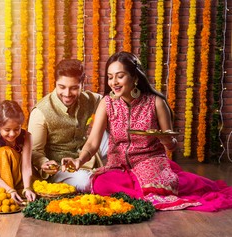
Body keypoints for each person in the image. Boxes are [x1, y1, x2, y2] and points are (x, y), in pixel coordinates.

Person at [62, 51, 232, 211]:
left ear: (135, 77)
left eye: (120, 76)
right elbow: (92, 143)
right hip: (118, 165)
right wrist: (79, 161)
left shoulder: (155, 102)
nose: (114, 82)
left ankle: (162, 185)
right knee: (101, 185)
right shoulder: (107, 104)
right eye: (110, 77)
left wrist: (164, 139)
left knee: (155, 185)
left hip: (150, 162)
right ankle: (145, 192)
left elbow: (171, 146)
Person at [28, 59, 109, 192]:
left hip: (86, 157)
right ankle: (100, 179)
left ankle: (126, 170)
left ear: (82, 84)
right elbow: (34, 151)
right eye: (62, 87)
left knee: (112, 131)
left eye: (74, 88)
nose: (67, 94)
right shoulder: (41, 112)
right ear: (55, 83)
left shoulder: (89, 100)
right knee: (85, 181)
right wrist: (43, 163)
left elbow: (109, 101)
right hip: (60, 169)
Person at [0, 100, 36, 204]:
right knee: (4, 152)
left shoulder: (27, 137)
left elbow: (27, 167)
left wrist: (27, 188)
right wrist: (9, 190)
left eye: (16, 129)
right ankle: (10, 195)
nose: (12, 134)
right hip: (1, 184)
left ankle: (19, 191)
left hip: (19, 179)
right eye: (7, 129)